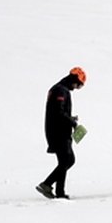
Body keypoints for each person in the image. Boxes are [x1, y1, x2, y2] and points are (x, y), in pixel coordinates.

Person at [36, 67, 85, 200]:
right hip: (59, 132)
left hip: (57, 130)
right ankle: (48, 185)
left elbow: (58, 112)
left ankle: (58, 191)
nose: (76, 88)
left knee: (66, 160)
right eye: (78, 85)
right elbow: (59, 112)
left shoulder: (58, 89)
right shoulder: (61, 90)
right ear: (74, 79)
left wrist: (70, 118)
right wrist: (73, 123)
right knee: (67, 160)